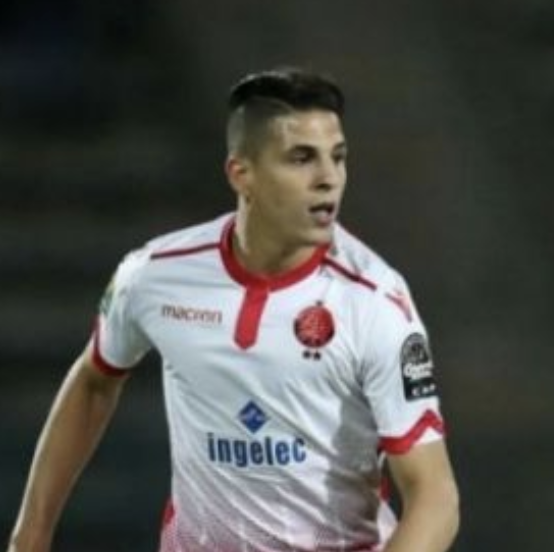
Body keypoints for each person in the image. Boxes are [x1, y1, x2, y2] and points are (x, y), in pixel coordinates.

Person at [7, 67, 459, 552]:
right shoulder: (155, 275)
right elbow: (95, 381)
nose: (328, 179)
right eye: (302, 158)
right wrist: (30, 534)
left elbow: (435, 497)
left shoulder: (374, 301)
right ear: (242, 174)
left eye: (338, 157)